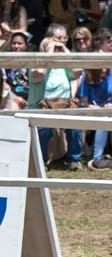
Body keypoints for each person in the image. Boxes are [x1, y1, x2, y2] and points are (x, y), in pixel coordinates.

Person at [28, 32, 84, 170]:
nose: (55, 50)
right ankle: (41, 161)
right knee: (44, 129)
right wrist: (50, 52)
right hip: (41, 107)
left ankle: (75, 160)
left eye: (56, 49)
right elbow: (40, 74)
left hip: (64, 105)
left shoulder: (63, 68)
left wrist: (64, 50)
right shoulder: (35, 67)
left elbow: (78, 71)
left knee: (74, 126)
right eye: (51, 48)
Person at [2, 30, 29, 110]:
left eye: (20, 43)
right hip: (11, 98)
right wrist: (15, 98)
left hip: (30, 98)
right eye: (14, 43)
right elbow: (4, 84)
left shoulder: (31, 63)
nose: (16, 46)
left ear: (26, 45)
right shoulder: (5, 63)